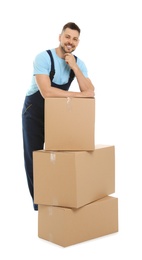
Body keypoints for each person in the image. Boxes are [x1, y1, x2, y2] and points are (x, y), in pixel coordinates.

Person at [22, 22, 95, 211]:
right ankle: (40, 206)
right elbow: (46, 92)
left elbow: (90, 91)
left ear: (78, 42)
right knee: (35, 158)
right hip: (34, 110)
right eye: (67, 37)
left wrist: (75, 68)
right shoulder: (43, 58)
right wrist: (78, 96)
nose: (70, 42)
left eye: (75, 39)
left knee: (59, 157)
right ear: (60, 37)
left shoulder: (78, 62)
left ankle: (59, 198)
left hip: (57, 113)